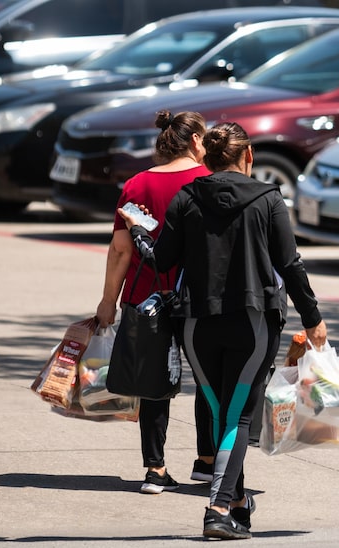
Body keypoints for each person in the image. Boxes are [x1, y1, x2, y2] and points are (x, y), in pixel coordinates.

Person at [118, 121, 327, 540]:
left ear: (208, 158)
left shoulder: (186, 198)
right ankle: (216, 508)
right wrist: (313, 317)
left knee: (222, 414)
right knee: (237, 416)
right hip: (252, 321)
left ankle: (236, 501)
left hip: (196, 324)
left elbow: (161, 261)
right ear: (247, 155)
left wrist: (141, 232)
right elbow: (290, 264)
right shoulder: (268, 198)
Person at [96, 109, 215, 494]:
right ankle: (207, 461)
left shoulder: (136, 184)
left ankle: (155, 469)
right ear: (196, 140)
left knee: (152, 385)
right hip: (198, 300)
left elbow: (120, 250)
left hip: (145, 297)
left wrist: (107, 301)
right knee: (208, 379)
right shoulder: (208, 182)